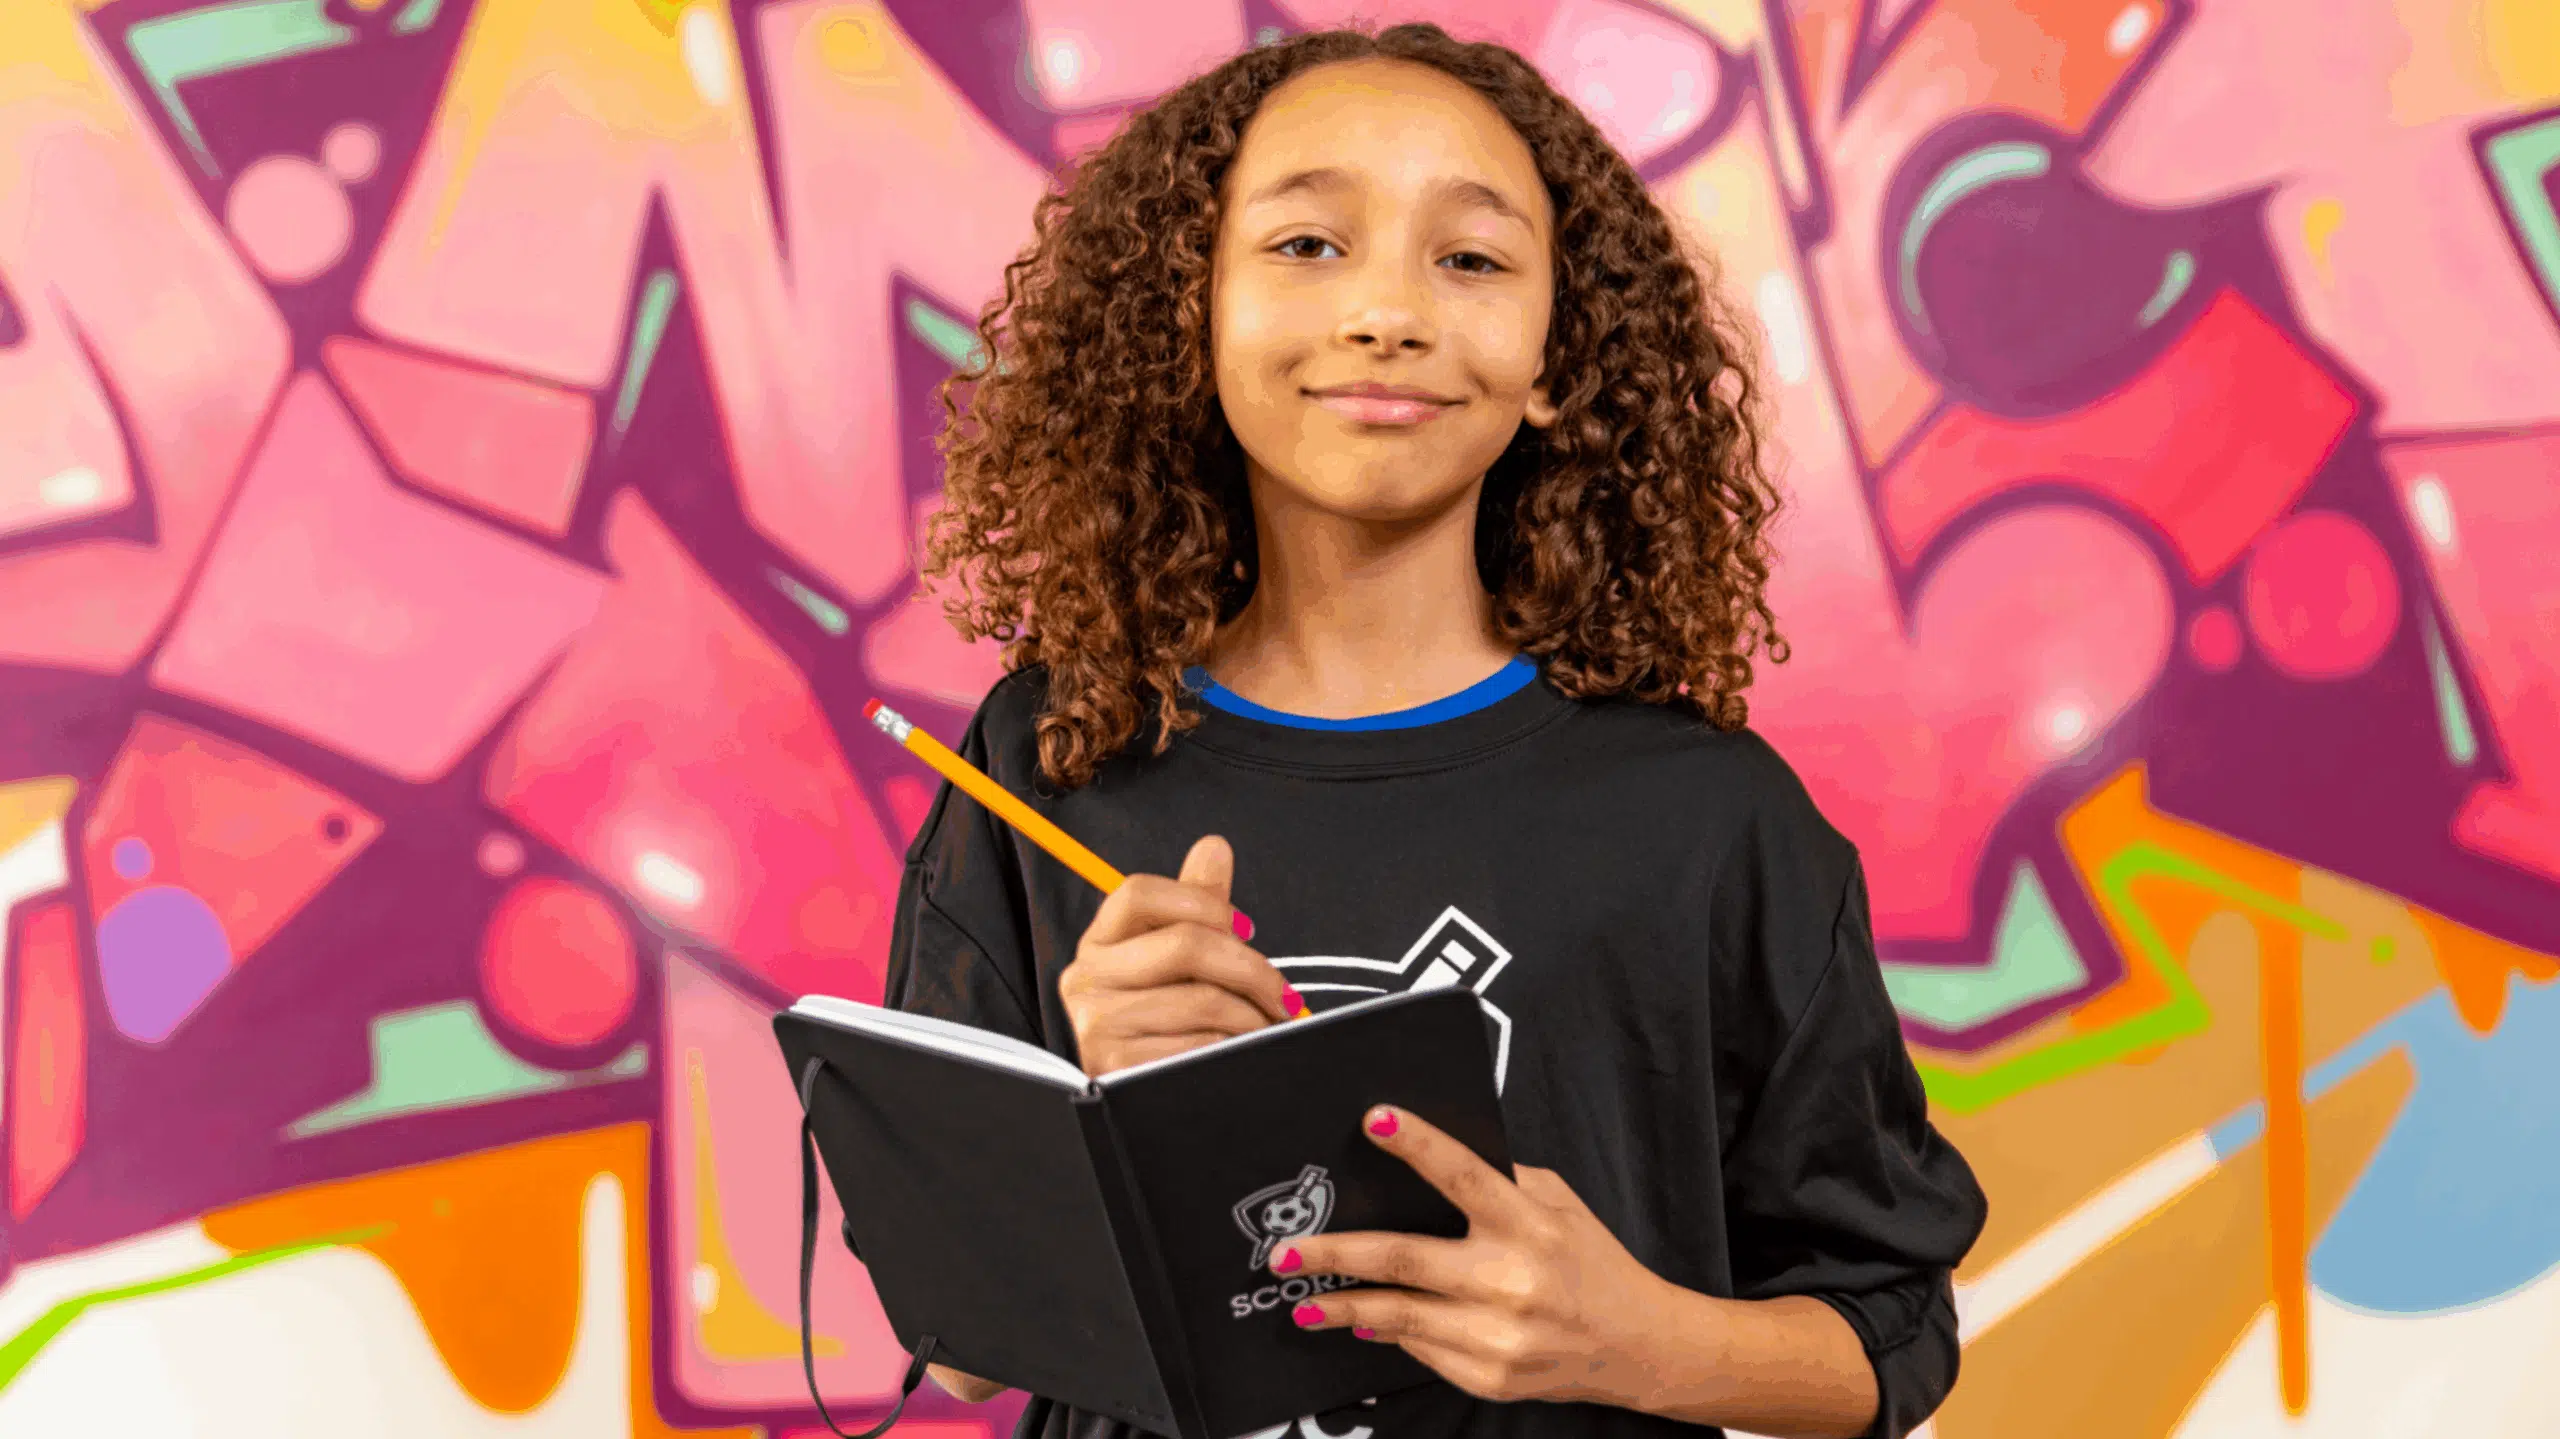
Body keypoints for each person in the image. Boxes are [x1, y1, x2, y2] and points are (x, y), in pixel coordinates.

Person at [882, 22, 1986, 1439]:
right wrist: (1085, 1122)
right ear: (1190, 317)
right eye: (1306, 246)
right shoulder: (1056, 752)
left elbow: (1894, 1328)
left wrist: (1635, 1342)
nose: (1386, 311)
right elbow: (958, 1347)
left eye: (1469, 259)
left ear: (1553, 360)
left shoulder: (1710, 820)